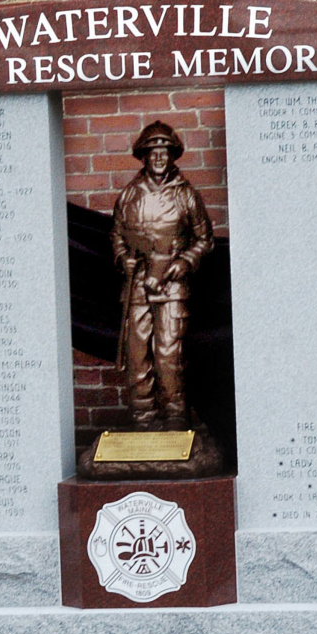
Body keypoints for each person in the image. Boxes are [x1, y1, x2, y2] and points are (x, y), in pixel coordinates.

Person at [110, 121, 213, 430]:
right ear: (143, 155)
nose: (158, 157)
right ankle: (143, 421)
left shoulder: (187, 196)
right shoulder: (129, 195)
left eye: (164, 151)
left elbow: (204, 239)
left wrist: (184, 262)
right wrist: (122, 258)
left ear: (172, 156)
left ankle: (176, 421)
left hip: (171, 286)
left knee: (169, 355)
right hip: (138, 286)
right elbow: (116, 235)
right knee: (138, 356)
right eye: (153, 151)